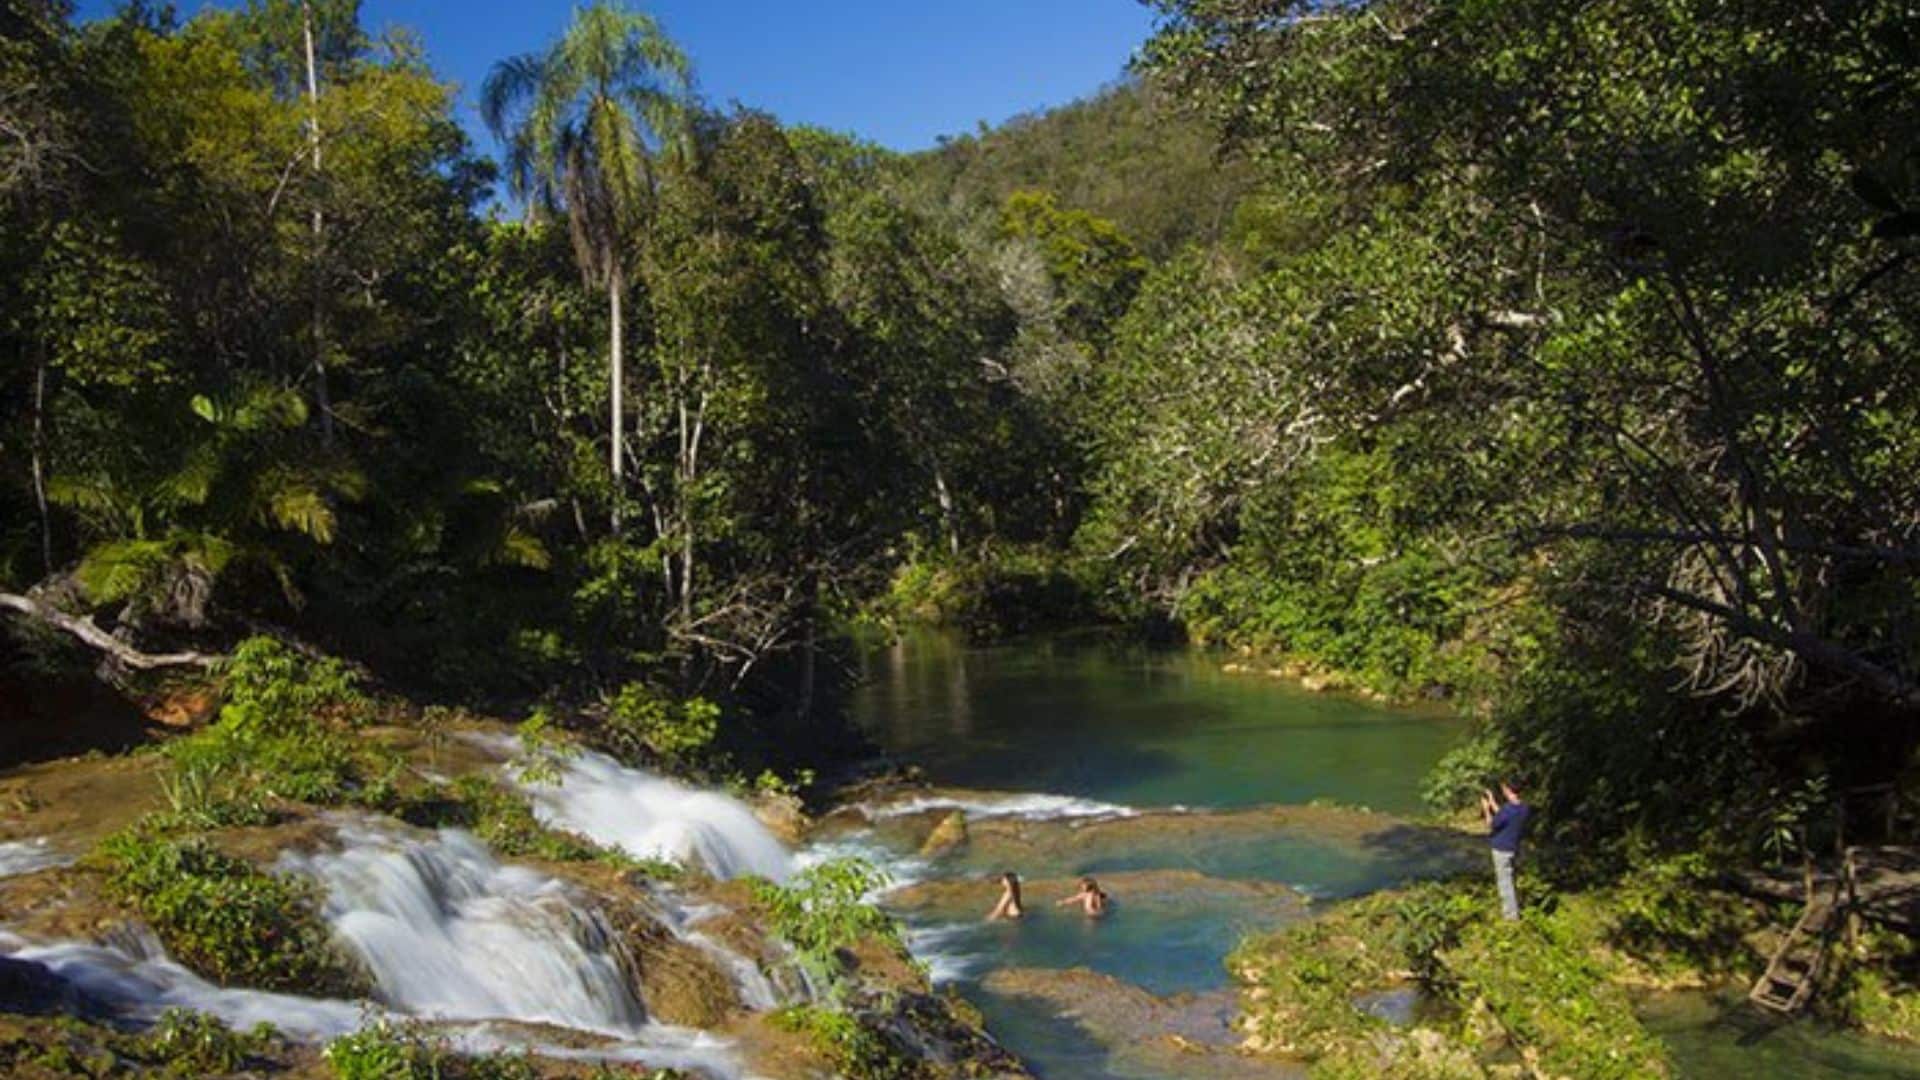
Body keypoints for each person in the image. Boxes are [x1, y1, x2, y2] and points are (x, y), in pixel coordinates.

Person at [1481, 781, 1531, 921]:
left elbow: (1491, 824)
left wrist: (1486, 810)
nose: (1503, 791)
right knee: (1511, 879)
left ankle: (1510, 918)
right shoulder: (1523, 808)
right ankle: (1515, 910)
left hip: (1501, 850)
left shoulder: (1508, 809)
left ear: (1508, 790)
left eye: (1504, 788)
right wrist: (1492, 802)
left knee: (1504, 883)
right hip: (1514, 848)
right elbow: (1503, 817)